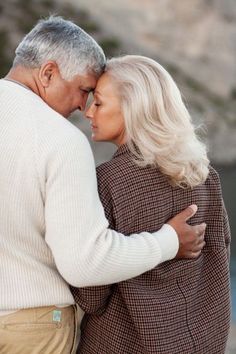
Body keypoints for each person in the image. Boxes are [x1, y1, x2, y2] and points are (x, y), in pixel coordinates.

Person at [0, 17, 206, 354]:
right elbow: (85, 264)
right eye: (83, 90)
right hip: (32, 328)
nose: (83, 108)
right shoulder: (60, 139)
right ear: (48, 73)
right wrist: (169, 241)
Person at [72, 55, 231, 354]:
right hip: (201, 341)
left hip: (124, 345)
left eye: (100, 103)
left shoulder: (107, 182)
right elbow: (218, 260)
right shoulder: (204, 174)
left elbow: (91, 294)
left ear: (133, 108)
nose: (88, 112)